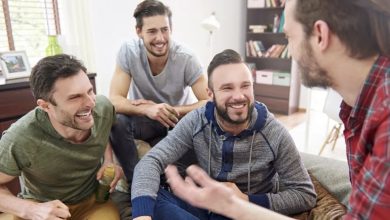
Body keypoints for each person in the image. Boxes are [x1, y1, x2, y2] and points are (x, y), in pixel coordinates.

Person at [165, 0, 390, 219]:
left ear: (320, 35)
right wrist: (236, 205)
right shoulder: (359, 110)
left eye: (289, 37)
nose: (290, 52)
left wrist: (241, 205)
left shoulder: (385, 128)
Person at [131, 49, 316, 220]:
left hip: (245, 212)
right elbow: (151, 161)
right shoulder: (197, 120)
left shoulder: (274, 132)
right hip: (205, 207)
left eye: (245, 86)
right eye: (227, 88)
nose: (239, 96)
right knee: (150, 200)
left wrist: (245, 199)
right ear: (210, 94)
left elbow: (305, 194)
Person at [0, 54, 123, 219]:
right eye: (75, 97)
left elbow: (104, 130)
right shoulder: (20, 137)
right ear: (45, 106)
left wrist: (109, 161)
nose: (90, 103)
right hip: (40, 206)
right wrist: (30, 210)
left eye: (89, 91)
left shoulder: (103, 108)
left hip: (92, 204)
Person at [109, 0, 209, 188]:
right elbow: (113, 101)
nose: (160, 38)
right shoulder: (128, 52)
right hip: (145, 120)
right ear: (139, 31)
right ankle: (136, 185)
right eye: (152, 31)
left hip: (175, 121)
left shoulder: (186, 58)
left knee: (192, 157)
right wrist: (149, 109)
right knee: (117, 120)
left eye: (165, 30)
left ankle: (167, 186)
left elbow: (208, 101)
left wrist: (174, 110)